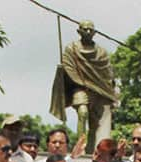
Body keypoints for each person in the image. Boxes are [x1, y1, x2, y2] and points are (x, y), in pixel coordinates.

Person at [50, 20, 116, 150]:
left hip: (97, 91)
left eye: (90, 30)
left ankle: (91, 150)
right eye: (85, 29)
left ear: (95, 32)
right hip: (79, 87)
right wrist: (62, 70)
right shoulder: (72, 49)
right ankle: (80, 147)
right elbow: (69, 67)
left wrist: (109, 89)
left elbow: (106, 73)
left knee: (95, 123)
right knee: (82, 112)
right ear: (79, 31)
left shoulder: (101, 52)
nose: (87, 32)